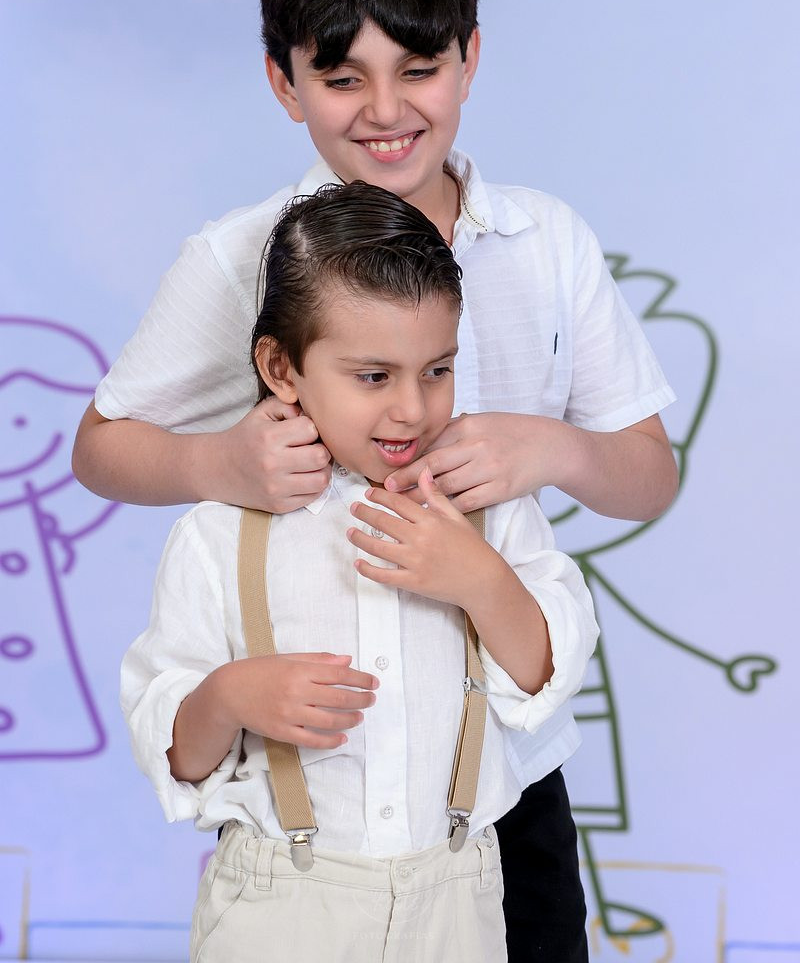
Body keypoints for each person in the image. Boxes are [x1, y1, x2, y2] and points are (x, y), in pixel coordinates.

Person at [75, 0, 677, 960]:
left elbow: (648, 476)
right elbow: (101, 448)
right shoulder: (245, 257)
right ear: (283, 81)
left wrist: (548, 447)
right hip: (324, 800)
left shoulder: (545, 243)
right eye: (341, 76)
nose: (385, 110)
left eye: (419, 68)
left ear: (469, 58)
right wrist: (223, 463)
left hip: (493, 774)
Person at [121, 182, 599, 963]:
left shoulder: (488, 509)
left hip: (457, 899)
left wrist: (480, 579)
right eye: (374, 377)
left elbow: (550, 672)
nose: (412, 408)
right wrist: (230, 696)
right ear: (281, 367)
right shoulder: (221, 531)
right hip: (280, 906)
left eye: (437, 370)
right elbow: (174, 749)